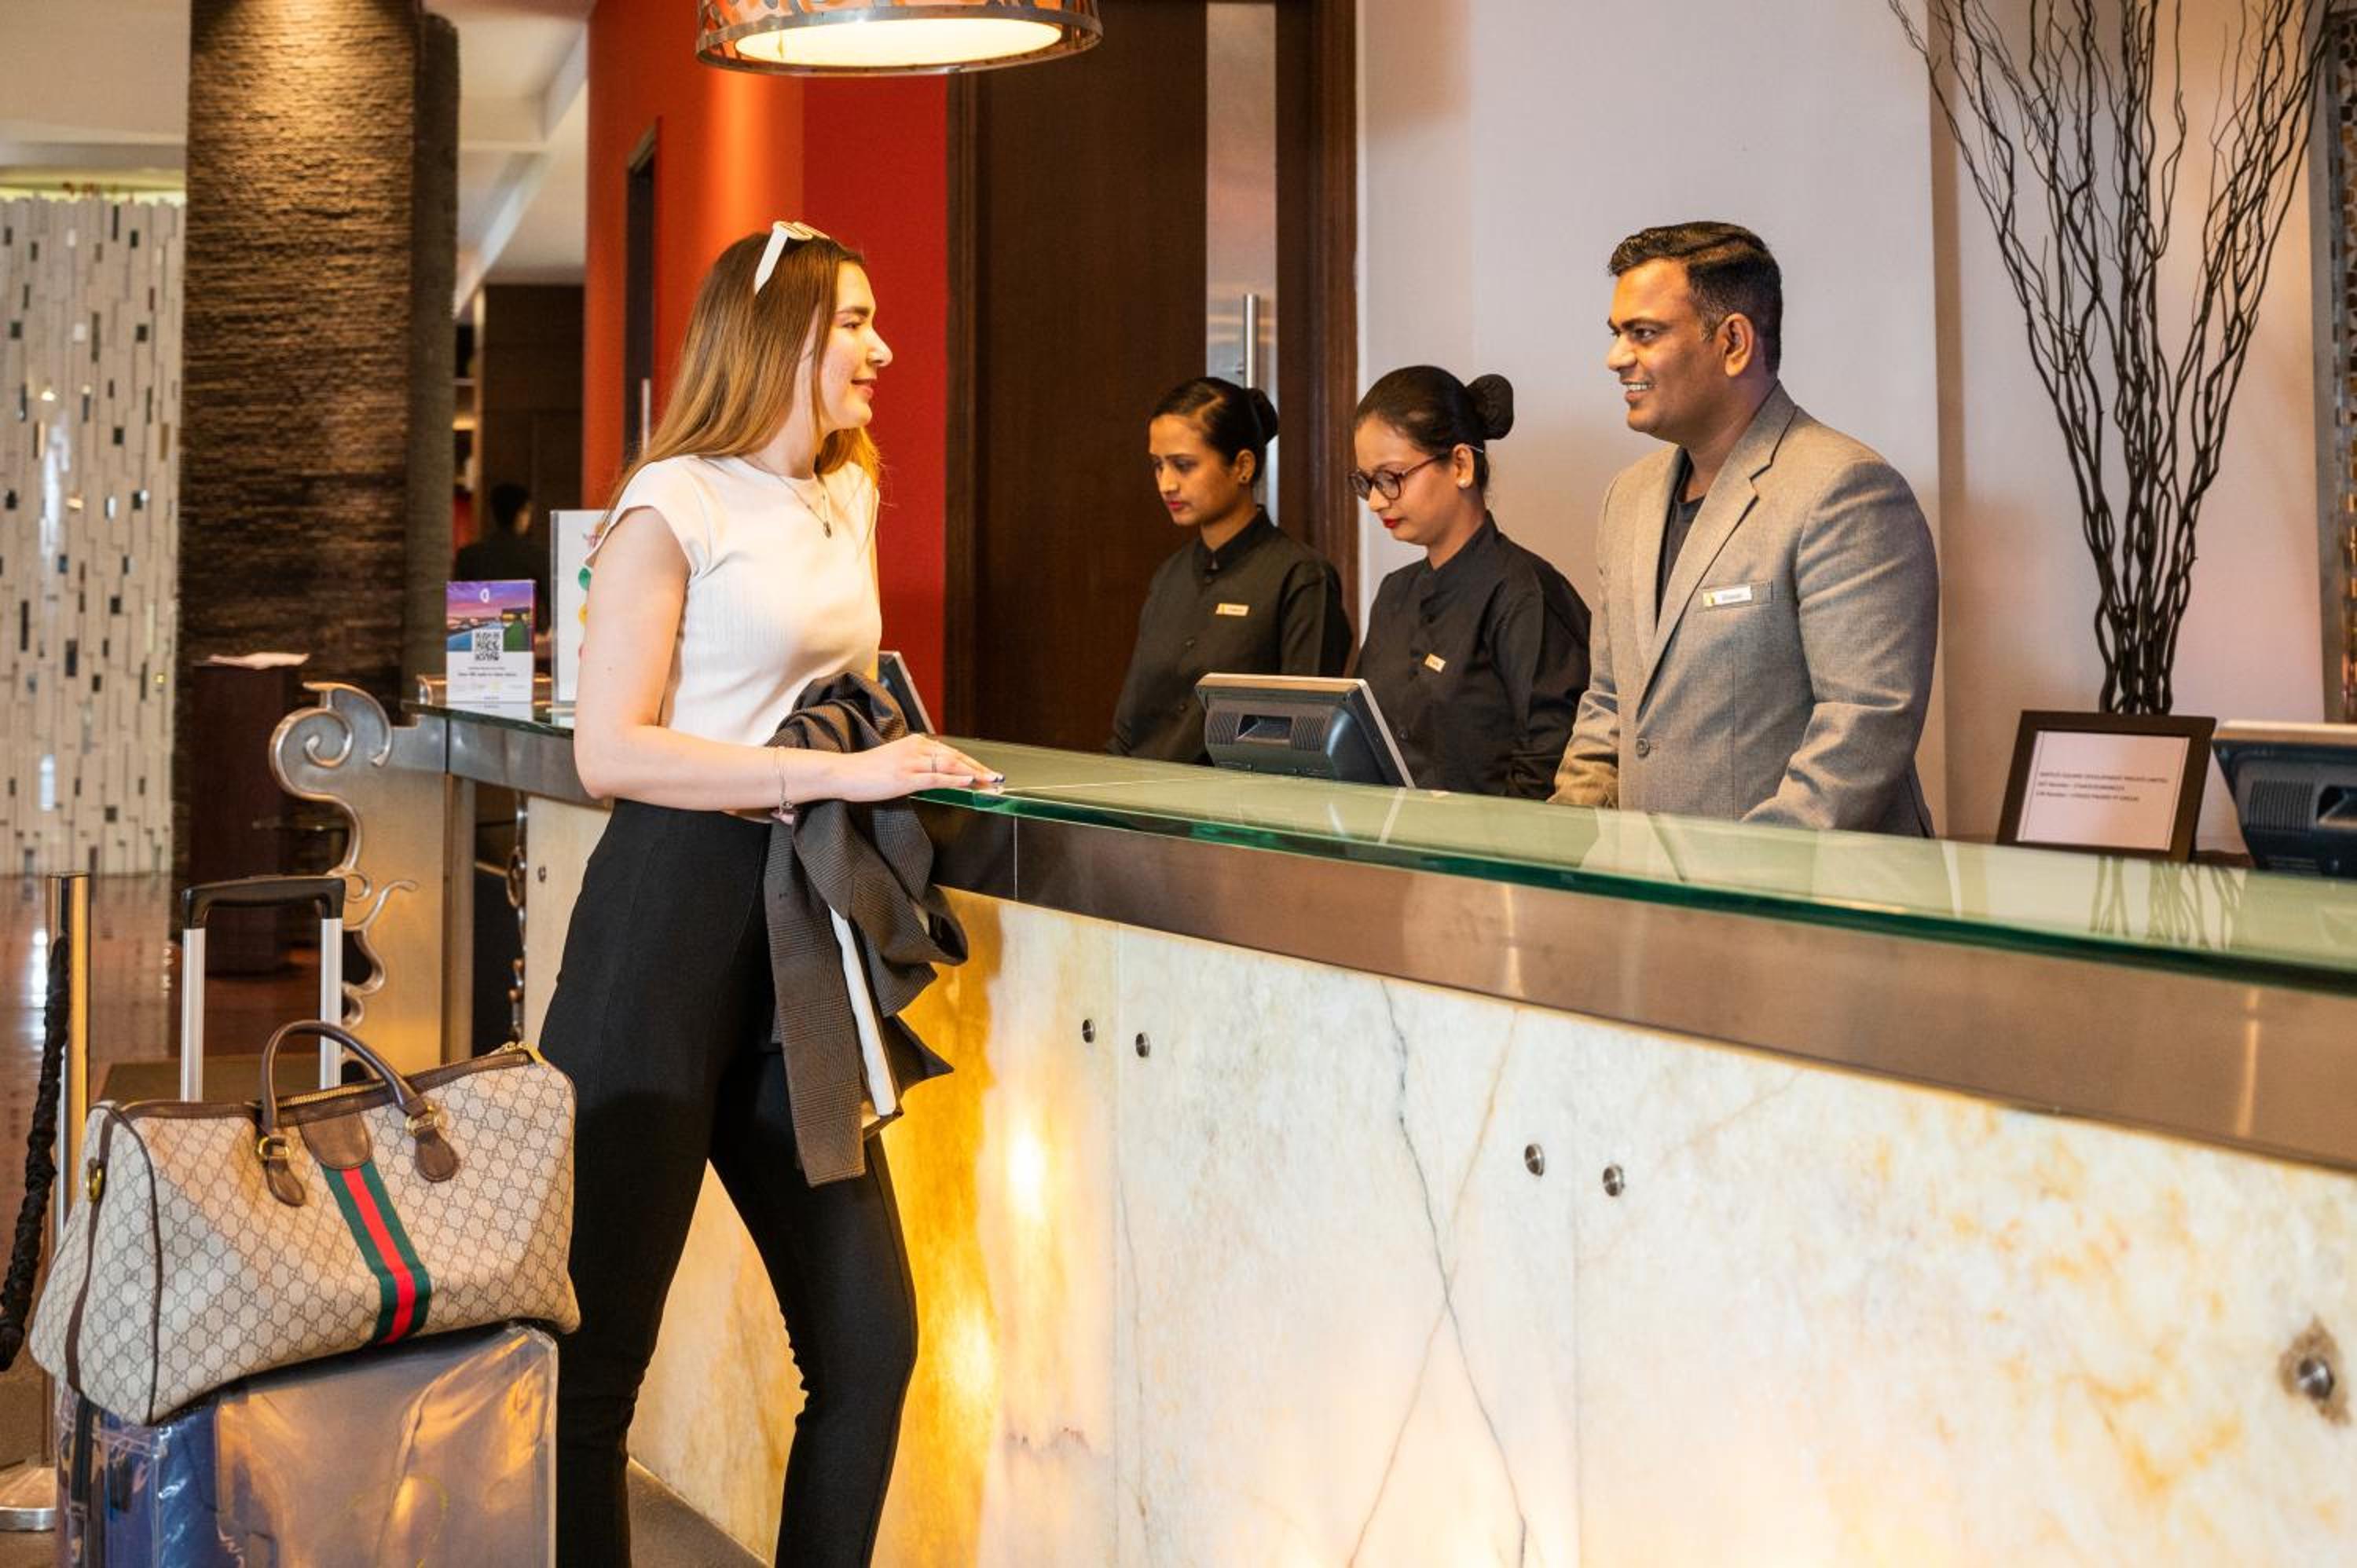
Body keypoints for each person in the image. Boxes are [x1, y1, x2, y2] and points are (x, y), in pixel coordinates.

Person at [541, 220, 994, 1568]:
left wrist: (890, 761)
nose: (882, 348)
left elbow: (829, 695)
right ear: (781, 334)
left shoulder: (847, 494)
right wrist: (839, 776)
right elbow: (610, 751)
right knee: (594, 1362)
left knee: (869, 1346)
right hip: (667, 925)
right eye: (854, 321)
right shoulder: (672, 501)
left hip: (797, 936)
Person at [1549, 222, 1939, 832]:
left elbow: (1863, 727)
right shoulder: (1626, 498)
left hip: (1794, 888)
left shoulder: (1845, 489)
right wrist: (1562, 839)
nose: (1616, 358)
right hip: (1650, 884)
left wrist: (1741, 874)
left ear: (1733, 342)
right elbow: (1609, 704)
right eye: (1617, 334)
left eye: (1644, 334)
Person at [1352, 366, 1590, 797]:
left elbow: (1549, 765)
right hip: (1392, 835)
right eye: (1366, 482)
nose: (1375, 501)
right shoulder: (1394, 593)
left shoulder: (1524, 593)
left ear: (1460, 464)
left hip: (1493, 839)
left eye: (1391, 478)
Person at [1109, 378, 1351, 762]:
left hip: (1235, 798)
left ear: (1242, 466)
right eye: (1158, 466)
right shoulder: (1169, 576)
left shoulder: (1301, 577)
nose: (1167, 484)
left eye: (1184, 466)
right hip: (1143, 792)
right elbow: (1127, 730)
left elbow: (1304, 738)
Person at [453, 481, 549, 622]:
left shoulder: (468, 556)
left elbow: (459, 615)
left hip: (478, 634)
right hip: (524, 634)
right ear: (521, 514)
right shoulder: (537, 555)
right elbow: (552, 608)